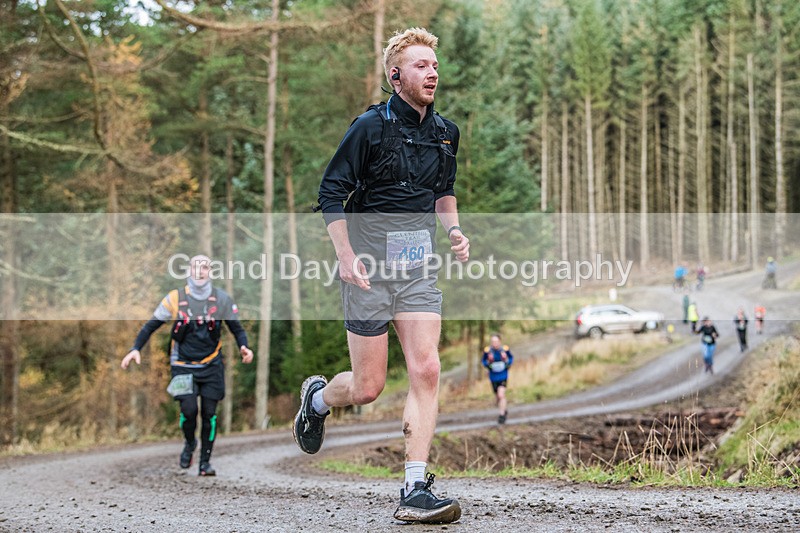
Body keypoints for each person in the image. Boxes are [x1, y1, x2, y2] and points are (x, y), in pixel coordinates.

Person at [293, 28, 467, 524]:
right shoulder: (369, 128)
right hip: (368, 271)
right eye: (420, 65)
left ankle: (415, 488)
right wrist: (346, 256)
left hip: (417, 271)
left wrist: (454, 232)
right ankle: (319, 398)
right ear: (396, 76)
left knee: (426, 369)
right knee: (368, 387)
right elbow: (330, 194)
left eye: (434, 64)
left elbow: (443, 192)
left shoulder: (446, 132)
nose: (432, 72)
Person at [121, 255, 254, 476]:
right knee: (189, 411)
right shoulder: (174, 299)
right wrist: (136, 348)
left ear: (210, 272)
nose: (200, 271)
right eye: (195, 267)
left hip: (212, 365)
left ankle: (205, 463)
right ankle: (190, 442)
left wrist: (244, 347)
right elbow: (151, 326)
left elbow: (237, 329)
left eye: (205, 267)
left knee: (210, 414)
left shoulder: (221, 300)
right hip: (182, 365)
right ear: (188, 271)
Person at [482, 334, 513, 424]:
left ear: (500, 341)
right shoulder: (488, 351)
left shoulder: (505, 349)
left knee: (501, 395)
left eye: (496, 341)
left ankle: (502, 415)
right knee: (498, 398)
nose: (494, 343)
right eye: (493, 342)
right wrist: (488, 365)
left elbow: (511, 358)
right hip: (493, 377)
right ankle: (504, 409)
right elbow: (483, 361)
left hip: (503, 376)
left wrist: (508, 364)